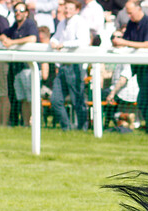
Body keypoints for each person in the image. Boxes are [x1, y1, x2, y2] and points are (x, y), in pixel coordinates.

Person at [112, 0, 148, 134]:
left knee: (145, 97)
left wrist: (124, 41)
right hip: (138, 66)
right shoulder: (132, 23)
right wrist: (118, 42)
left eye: (131, 13)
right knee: (144, 98)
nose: (129, 16)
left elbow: (147, 44)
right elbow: (127, 42)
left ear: (139, 9)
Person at [50, 0, 90, 131]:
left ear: (77, 10)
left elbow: (82, 41)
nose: (67, 11)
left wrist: (64, 45)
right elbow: (56, 37)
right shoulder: (62, 23)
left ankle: (83, 128)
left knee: (77, 100)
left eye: (70, 9)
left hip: (75, 66)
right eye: (66, 8)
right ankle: (66, 127)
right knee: (55, 100)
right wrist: (53, 42)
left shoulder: (80, 22)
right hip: (62, 65)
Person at [2, 2, 38, 126]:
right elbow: (5, 34)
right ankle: (26, 124)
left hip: (28, 67)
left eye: (21, 10)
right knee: (23, 99)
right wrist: (2, 36)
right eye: (16, 10)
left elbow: (32, 38)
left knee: (31, 98)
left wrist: (12, 42)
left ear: (26, 13)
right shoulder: (15, 26)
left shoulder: (29, 24)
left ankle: (36, 123)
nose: (18, 13)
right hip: (17, 68)